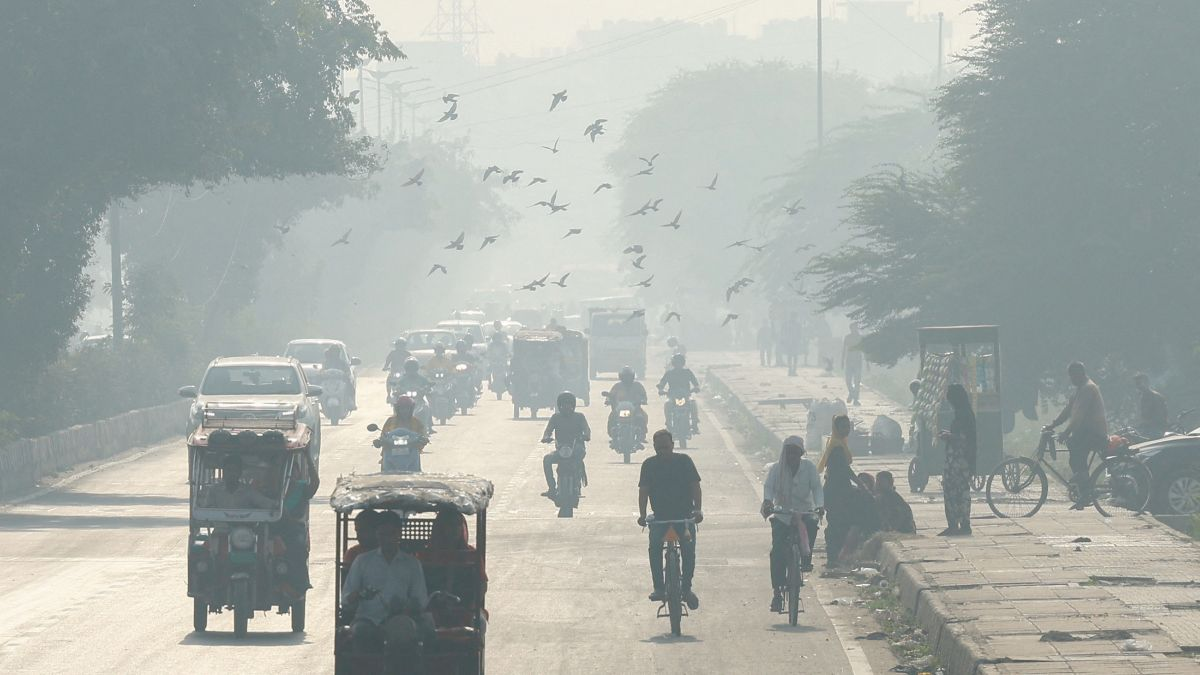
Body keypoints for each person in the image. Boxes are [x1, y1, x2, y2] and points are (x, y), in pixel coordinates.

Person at [341, 510, 430, 662]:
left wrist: (406, 606)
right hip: (367, 619)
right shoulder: (362, 561)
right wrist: (360, 595)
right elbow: (346, 599)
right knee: (361, 632)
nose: (387, 539)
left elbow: (420, 600)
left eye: (391, 534)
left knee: (404, 632)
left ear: (399, 534)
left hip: (401, 619)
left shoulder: (412, 564)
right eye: (382, 534)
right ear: (377, 535)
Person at [638, 430, 703, 609]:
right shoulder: (648, 465)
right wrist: (642, 515)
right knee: (654, 548)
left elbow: (695, 486)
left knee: (689, 550)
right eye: (658, 448)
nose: (662, 452)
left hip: (684, 518)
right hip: (660, 518)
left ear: (673, 445)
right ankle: (659, 587)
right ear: (654, 448)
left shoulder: (684, 461)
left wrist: (697, 510)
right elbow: (643, 491)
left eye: (665, 447)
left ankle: (687, 588)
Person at [761, 436, 822, 612]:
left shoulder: (809, 468)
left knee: (812, 526)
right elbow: (769, 488)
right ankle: (777, 593)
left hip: (804, 511)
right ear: (784, 453)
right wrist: (768, 502)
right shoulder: (776, 469)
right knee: (777, 552)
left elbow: (817, 488)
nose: (792, 456)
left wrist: (819, 506)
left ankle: (806, 560)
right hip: (783, 514)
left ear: (801, 453)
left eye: (796, 453)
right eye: (789, 452)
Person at [1048, 362, 1108, 507]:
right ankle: (1084, 492)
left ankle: (1087, 491)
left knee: (1077, 458)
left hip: (1094, 432)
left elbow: (1078, 417)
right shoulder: (1079, 390)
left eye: (1073, 375)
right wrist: (1053, 424)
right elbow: (1068, 411)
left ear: (1080, 373)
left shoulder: (1088, 388)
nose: (1071, 379)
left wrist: (1066, 432)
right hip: (1085, 431)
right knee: (1075, 457)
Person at [816, 415, 857, 568]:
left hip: (839, 489)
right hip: (836, 492)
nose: (847, 430)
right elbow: (846, 470)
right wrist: (861, 485)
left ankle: (836, 557)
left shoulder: (838, 442)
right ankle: (833, 557)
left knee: (839, 523)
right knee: (835, 525)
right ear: (836, 428)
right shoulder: (837, 446)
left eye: (848, 426)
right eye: (843, 427)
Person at [939, 383, 976, 534]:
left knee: (953, 491)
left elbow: (963, 438)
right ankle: (962, 524)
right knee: (961, 492)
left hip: (958, 459)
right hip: (962, 459)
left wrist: (948, 436)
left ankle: (955, 524)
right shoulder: (965, 412)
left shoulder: (963, 414)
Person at [540, 392, 591, 498]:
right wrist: (546, 437)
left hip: (577, 448)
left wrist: (585, 436)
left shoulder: (580, 417)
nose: (567, 407)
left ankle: (577, 484)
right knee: (547, 459)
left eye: (569, 404)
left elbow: (587, 430)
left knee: (578, 456)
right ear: (560, 406)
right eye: (564, 404)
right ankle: (552, 488)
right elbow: (548, 430)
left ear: (573, 405)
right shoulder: (555, 418)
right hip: (561, 450)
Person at [204, 454, 276, 509]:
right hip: (221, 528)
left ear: (240, 473)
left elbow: (264, 502)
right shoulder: (214, 490)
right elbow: (208, 509)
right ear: (224, 471)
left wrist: (277, 506)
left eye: (235, 470)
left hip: (244, 527)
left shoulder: (248, 491)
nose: (231, 473)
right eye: (228, 470)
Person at [657, 353, 701, 435]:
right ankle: (669, 425)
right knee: (667, 404)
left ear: (683, 363)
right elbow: (662, 383)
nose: (678, 365)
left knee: (693, 404)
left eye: (680, 363)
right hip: (672, 396)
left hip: (686, 396)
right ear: (673, 363)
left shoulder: (688, 372)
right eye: (676, 363)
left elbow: (695, 383)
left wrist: (696, 388)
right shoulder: (669, 373)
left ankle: (694, 425)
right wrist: (661, 389)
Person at [607, 365, 649, 446]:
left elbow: (644, 395)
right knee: (612, 417)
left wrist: (643, 400)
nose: (627, 378)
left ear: (632, 376)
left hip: (635, 408)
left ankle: (642, 436)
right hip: (619, 408)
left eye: (629, 376)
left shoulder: (638, 385)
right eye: (625, 376)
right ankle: (613, 436)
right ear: (621, 377)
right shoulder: (617, 386)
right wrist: (608, 400)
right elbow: (611, 395)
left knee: (641, 417)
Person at [343, 509, 381, 573]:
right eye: (357, 531)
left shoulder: (388, 552)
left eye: (363, 531)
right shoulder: (353, 553)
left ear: (376, 530)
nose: (358, 536)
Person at [1134, 373, 1169, 439]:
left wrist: (1147, 424)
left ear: (1147, 383)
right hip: (1148, 430)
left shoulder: (1156, 397)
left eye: (1139, 383)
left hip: (1158, 431)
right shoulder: (1142, 398)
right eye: (1136, 384)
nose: (1138, 386)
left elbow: (1161, 417)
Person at [322, 344, 356, 410]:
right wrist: (321, 374)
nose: (334, 353)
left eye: (336, 351)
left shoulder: (342, 363)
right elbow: (322, 370)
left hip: (340, 382)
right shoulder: (326, 362)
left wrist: (346, 374)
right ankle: (320, 402)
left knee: (350, 386)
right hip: (328, 382)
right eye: (333, 351)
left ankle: (350, 402)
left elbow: (347, 371)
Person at [842, 325, 864, 405]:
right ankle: (852, 393)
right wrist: (842, 360)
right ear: (850, 329)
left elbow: (864, 350)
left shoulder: (860, 338)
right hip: (849, 361)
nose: (853, 330)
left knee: (857, 382)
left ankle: (855, 399)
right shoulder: (847, 337)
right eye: (852, 328)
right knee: (848, 381)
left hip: (858, 362)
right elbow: (844, 349)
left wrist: (867, 363)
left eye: (854, 328)